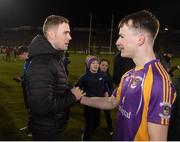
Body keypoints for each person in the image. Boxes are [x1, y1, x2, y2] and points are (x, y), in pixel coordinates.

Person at [79, 10, 176, 141]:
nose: (117, 42)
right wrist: (80, 99)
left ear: (140, 39)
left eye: (122, 36)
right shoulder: (129, 74)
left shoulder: (159, 82)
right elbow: (111, 101)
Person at [27, 15, 84, 141]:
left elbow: (59, 85)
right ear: (51, 34)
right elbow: (42, 107)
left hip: (54, 127)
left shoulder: (53, 58)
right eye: (66, 33)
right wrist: (72, 97)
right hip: (47, 132)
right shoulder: (42, 63)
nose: (70, 37)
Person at [75, 55, 109, 141]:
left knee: (97, 123)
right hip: (89, 104)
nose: (95, 65)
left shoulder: (103, 75)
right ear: (89, 65)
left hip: (98, 103)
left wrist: (106, 92)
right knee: (89, 123)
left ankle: (86, 130)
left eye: (97, 63)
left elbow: (105, 85)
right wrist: (82, 96)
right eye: (93, 63)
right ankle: (86, 137)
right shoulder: (84, 77)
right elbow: (76, 87)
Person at [13, 45, 32, 136]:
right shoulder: (26, 62)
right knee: (29, 109)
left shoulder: (33, 62)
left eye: (19, 55)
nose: (19, 57)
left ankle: (34, 129)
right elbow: (26, 76)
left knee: (34, 110)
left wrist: (24, 80)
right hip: (25, 88)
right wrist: (21, 78)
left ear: (24, 53)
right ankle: (30, 126)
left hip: (32, 91)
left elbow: (34, 79)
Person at [99, 58, 114, 137]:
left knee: (107, 114)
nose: (104, 67)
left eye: (106, 66)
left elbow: (111, 87)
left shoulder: (109, 76)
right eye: (103, 65)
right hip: (96, 99)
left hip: (105, 99)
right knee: (93, 115)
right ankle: (89, 127)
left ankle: (111, 129)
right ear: (99, 65)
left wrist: (109, 93)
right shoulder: (95, 74)